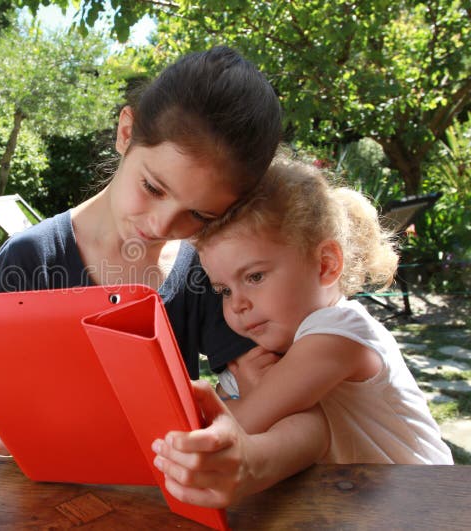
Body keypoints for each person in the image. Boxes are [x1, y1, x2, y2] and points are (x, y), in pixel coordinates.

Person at [0, 46, 279, 454]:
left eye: (199, 214)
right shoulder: (30, 260)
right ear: (126, 133)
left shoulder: (206, 270)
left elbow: (262, 381)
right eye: (153, 188)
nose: (162, 226)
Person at [179, 156, 452, 466]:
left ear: (325, 264)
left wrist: (249, 392)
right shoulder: (279, 347)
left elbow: (238, 427)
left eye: (254, 277)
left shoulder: (339, 333)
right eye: (224, 290)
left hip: (428, 502)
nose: (237, 304)